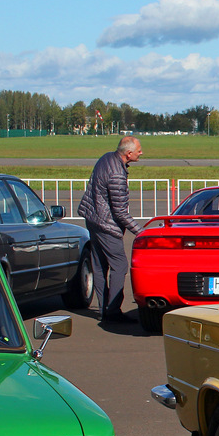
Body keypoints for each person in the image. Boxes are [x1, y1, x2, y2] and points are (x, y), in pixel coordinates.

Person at [78, 136, 144, 323]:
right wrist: (141, 233)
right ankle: (113, 310)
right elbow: (120, 212)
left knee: (99, 265)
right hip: (106, 225)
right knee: (119, 265)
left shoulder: (106, 157)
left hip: (92, 219)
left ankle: (104, 309)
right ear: (128, 153)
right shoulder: (117, 174)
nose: (141, 152)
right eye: (139, 150)